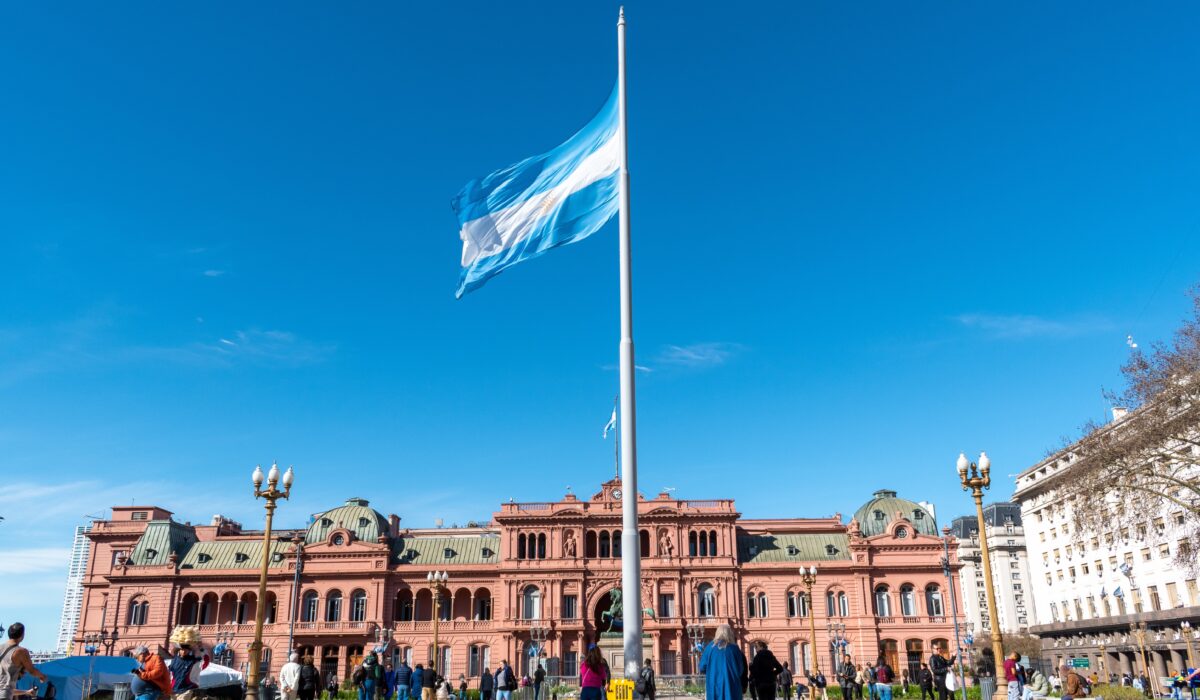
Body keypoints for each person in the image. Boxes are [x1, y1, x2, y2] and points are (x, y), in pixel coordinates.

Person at [699, 623, 749, 700]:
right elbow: (740, 669)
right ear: (730, 633)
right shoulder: (735, 649)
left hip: (714, 685)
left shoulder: (709, 648)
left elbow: (702, 667)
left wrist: (712, 672)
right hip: (732, 686)